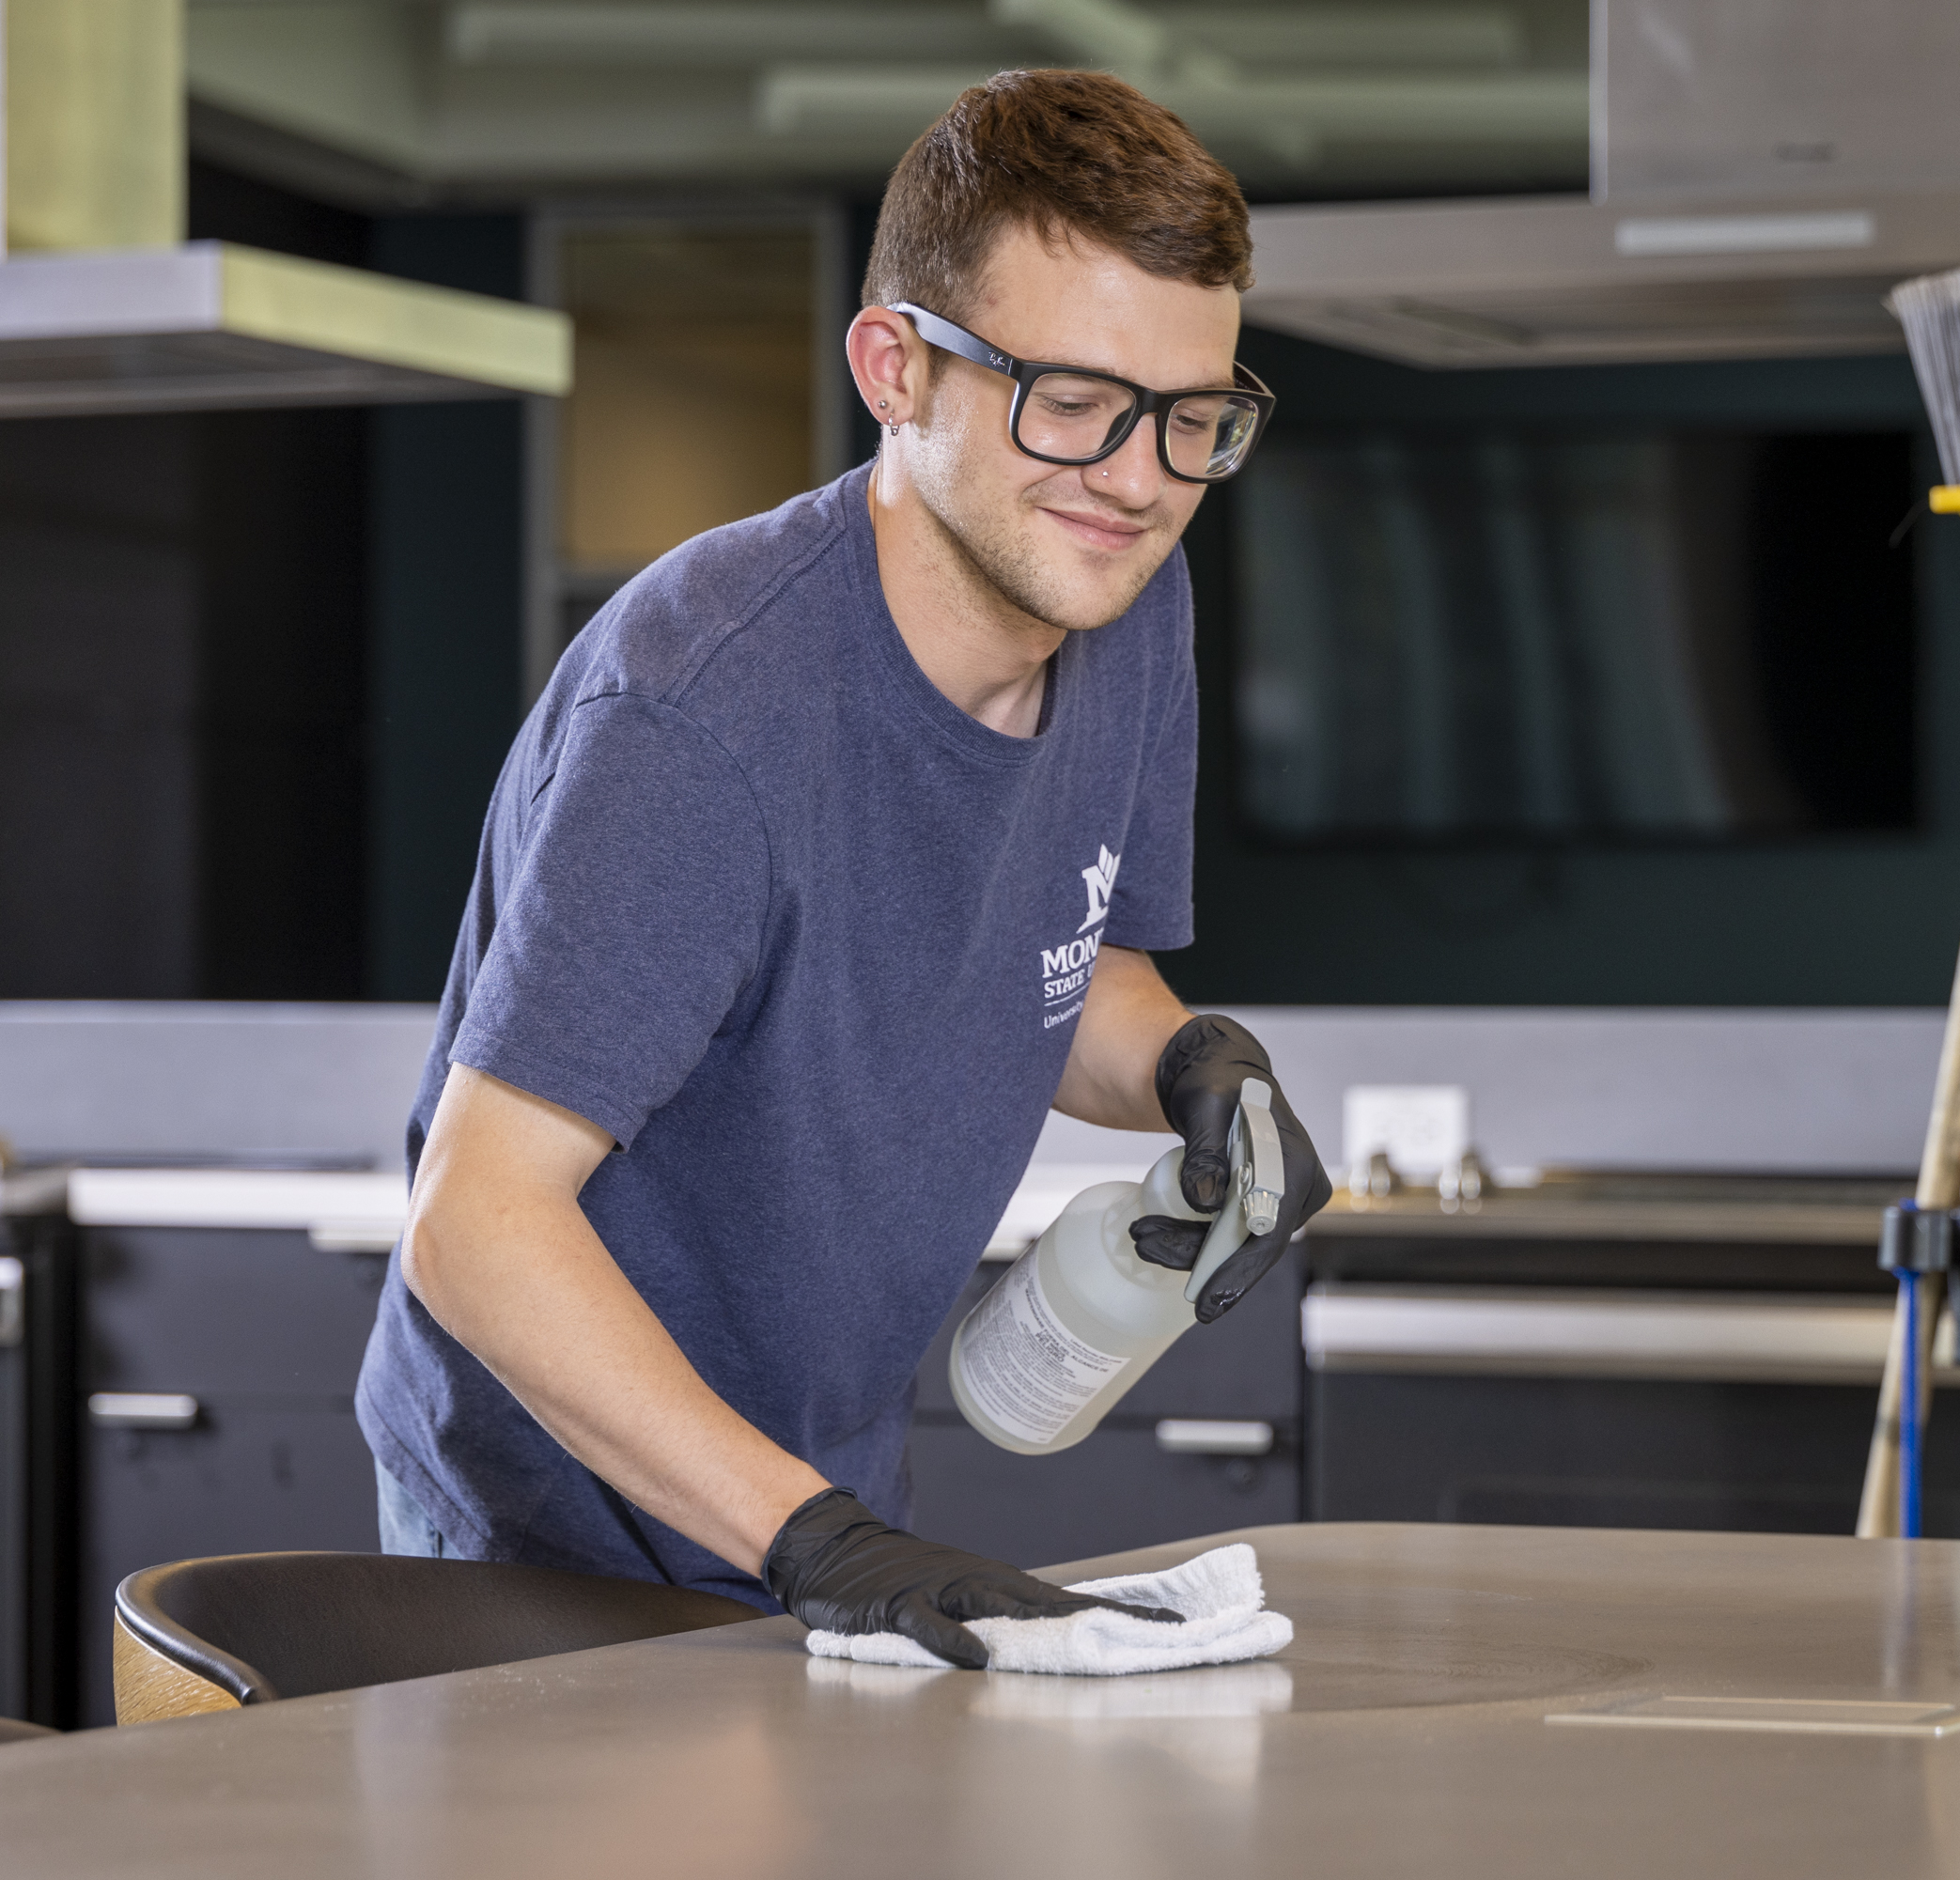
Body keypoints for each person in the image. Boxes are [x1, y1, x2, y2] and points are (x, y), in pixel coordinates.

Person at [354, 70, 1330, 1670]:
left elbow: (1055, 968)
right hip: (546, 1555)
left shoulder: (1127, 607)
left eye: (1192, 416)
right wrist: (820, 1540)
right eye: (1073, 400)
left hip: (805, 1516)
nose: (1142, 478)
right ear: (897, 367)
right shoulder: (703, 712)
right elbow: (475, 1220)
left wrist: (1189, 1063)